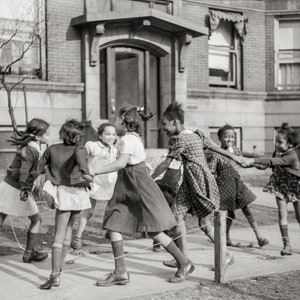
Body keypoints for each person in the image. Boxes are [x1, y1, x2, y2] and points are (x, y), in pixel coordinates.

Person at [91, 106, 194, 286]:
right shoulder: (129, 139)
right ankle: (121, 271)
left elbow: (121, 163)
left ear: (124, 121)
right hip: (128, 187)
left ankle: (184, 262)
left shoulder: (128, 139)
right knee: (114, 224)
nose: (114, 124)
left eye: (116, 120)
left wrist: (95, 171)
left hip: (137, 187)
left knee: (153, 229)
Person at [151, 102, 242, 268]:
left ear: (175, 122)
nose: (163, 128)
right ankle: (183, 259)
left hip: (199, 181)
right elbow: (214, 147)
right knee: (178, 216)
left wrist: (149, 180)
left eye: (165, 124)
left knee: (203, 223)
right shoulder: (196, 134)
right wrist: (234, 156)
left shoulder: (179, 139)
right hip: (190, 180)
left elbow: (165, 164)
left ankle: (226, 255)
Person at [39, 119, 92, 289]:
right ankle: (58, 271)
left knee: (59, 235)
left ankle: (55, 275)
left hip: (63, 192)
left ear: (63, 133)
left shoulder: (52, 149)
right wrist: (86, 174)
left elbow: (39, 167)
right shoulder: (80, 149)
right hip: (78, 193)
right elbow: (82, 164)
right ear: (78, 136)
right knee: (68, 230)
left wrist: (44, 176)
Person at [242, 123, 300, 256]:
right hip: (280, 186)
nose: (276, 144)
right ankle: (287, 245)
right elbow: (268, 164)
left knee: (299, 216)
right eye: (276, 141)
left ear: (290, 144)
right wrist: (251, 165)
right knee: (282, 214)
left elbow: (273, 162)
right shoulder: (278, 152)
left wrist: (251, 160)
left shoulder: (292, 155)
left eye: (280, 142)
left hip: (296, 187)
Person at [207, 124, 269, 248]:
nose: (230, 139)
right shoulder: (216, 154)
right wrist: (212, 190)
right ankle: (225, 238)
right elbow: (211, 172)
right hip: (223, 188)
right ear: (219, 138)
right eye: (226, 137)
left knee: (247, 209)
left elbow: (243, 163)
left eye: (232, 137)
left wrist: (257, 166)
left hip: (237, 185)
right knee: (227, 214)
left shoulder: (236, 151)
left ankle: (259, 237)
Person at [0, 118, 50, 263]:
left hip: (9, 186)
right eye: (47, 134)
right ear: (38, 136)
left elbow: (32, 169)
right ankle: (28, 253)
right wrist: (25, 188)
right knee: (37, 219)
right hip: (18, 188)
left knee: (1, 216)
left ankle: (29, 253)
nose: (49, 137)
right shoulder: (31, 150)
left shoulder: (30, 147)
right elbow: (24, 171)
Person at [71, 123, 118, 250]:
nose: (111, 137)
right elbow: (82, 158)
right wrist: (84, 174)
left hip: (110, 183)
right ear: (100, 135)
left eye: (114, 134)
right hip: (94, 182)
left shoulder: (115, 149)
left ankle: (111, 231)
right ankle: (77, 237)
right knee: (89, 211)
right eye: (107, 134)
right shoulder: (92, 146)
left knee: (113, 209)